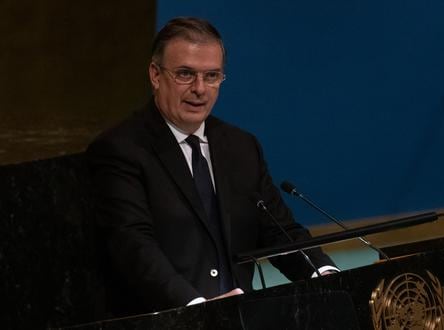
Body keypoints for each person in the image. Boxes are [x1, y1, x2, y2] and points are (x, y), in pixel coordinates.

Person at [87, 17, 337, 317]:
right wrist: (197, 310)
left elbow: (278, 231)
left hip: (243, 318)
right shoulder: (120, 150)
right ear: (155, 74)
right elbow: (134, 248)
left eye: (212, 76)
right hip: (169, 321)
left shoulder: (241, 147)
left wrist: (323, 272)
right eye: (185, 74)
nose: (200, 89)